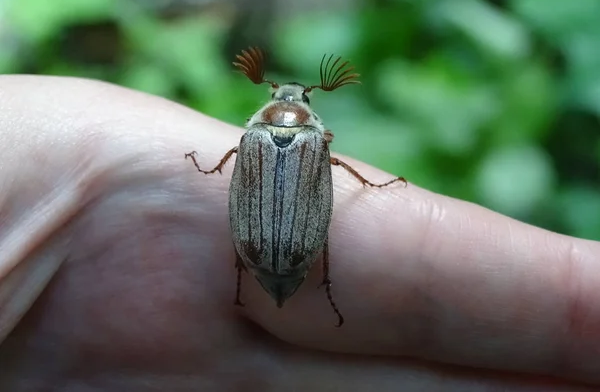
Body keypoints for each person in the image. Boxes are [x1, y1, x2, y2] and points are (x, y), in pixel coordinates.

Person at [0, 75, 597, 392]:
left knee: (259, 230)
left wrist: (216, 170)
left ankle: (267, 279)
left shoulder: (251, 141)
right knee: (317, 232)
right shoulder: (318, 144)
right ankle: (309, 284)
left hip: (259, 246)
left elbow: (235, 194)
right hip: (290, 247)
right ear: (311, 117)